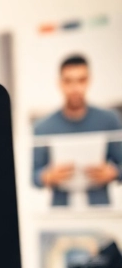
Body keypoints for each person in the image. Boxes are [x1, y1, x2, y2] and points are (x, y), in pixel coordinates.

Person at [32, 54, 122, 207]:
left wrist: (112, 173)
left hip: (100, 209)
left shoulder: (109, 120)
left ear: (89, 81)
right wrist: (49, 176)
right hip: (60, 210)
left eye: (81, 80)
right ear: (60, 83)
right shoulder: (43, 127)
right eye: (68, 81)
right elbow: (34, 176)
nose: (75, 88)